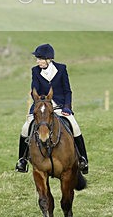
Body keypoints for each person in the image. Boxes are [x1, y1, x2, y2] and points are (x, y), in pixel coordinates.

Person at [15, 44, 89, 174]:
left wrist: (67, 107)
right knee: (25, 128)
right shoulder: (35, 71)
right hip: (42, 107)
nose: (37, 61)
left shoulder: (61, 69)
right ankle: (22, 160)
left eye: (40, 59)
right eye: (37, 59)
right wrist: (41, 102)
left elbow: (67, 91)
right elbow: (34, 90)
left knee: (75, 126)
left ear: (48, 59)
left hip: (60, 107)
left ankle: (83, 159)